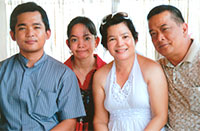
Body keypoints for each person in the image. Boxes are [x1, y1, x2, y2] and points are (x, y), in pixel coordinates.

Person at [0, 2, 85, 131]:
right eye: (22, 28)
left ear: (47, 33)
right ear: (12, 35)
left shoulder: (64, 74)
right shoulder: (2, 71)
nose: (30, 33)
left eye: (36, 27)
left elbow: (69, 122)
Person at [92, 12, 168, 131]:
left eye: (125, 36)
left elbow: (160, 116)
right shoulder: (100, 76)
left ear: (135, 39)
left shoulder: (152, 69)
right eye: (112, 39)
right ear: (106, 44)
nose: (120, 43)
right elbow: (100, 120)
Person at [147, 5, 200, 130]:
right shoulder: (157, 69)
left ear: (184, 28)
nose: (159, 38)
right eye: (153, 34)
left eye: (165, 29)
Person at [64, 16, 106, 131]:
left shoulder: (108, 71)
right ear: (68, 44)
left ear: (96, 41)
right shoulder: (59, 73)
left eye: (86, 38)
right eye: (74, 40)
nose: (81, 45)